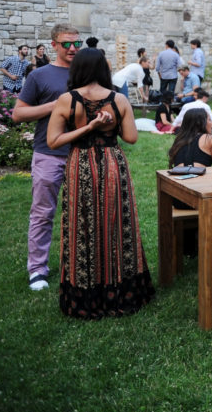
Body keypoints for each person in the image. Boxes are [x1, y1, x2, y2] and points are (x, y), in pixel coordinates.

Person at [45, 48, 154, 318]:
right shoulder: (118, 99)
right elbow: (131, 138)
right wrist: (100, 125)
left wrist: (84, 128)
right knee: (116, 224)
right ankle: (121, 288)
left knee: (81, 225)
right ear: (104, 70)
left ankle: (85, 291)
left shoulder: (66, 100)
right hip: (111, 163)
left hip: (79, 164)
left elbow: (53, 141)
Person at [12, 24, 81, 291]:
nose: (72, 48)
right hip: (48, 154)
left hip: (81, 152)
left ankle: (77, 264)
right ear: (54, 45)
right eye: (66, 44)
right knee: (42, 213)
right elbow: (18, 114)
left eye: (76, 43)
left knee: (81, 213)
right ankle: (37, 270)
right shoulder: (39, 76)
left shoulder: (86, 74)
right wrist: (56, 105)